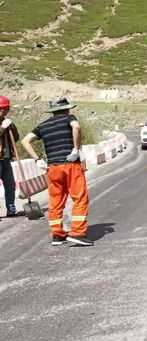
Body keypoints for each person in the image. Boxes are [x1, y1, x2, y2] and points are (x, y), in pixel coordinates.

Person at [21, 97, 92, 246]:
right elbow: (77, 127)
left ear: (52, 111)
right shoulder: (69, 118)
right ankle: (77, 233)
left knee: (56, 200)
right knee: (79, 198)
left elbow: (25, 140)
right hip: (71, 165)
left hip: (53, 167)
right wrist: (76, 149)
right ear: (67, 109)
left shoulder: (43, 126)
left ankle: (57, 234)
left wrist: (37, 159)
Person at [0, 95, 20, 219]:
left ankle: (11, 208)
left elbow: (16, 138)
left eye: (6, 109)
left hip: (6, 159)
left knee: (10, 185)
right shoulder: (3, 124)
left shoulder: (6, 122)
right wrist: (2, 128)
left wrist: (12, 127)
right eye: (2, 109)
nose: (4, 111)